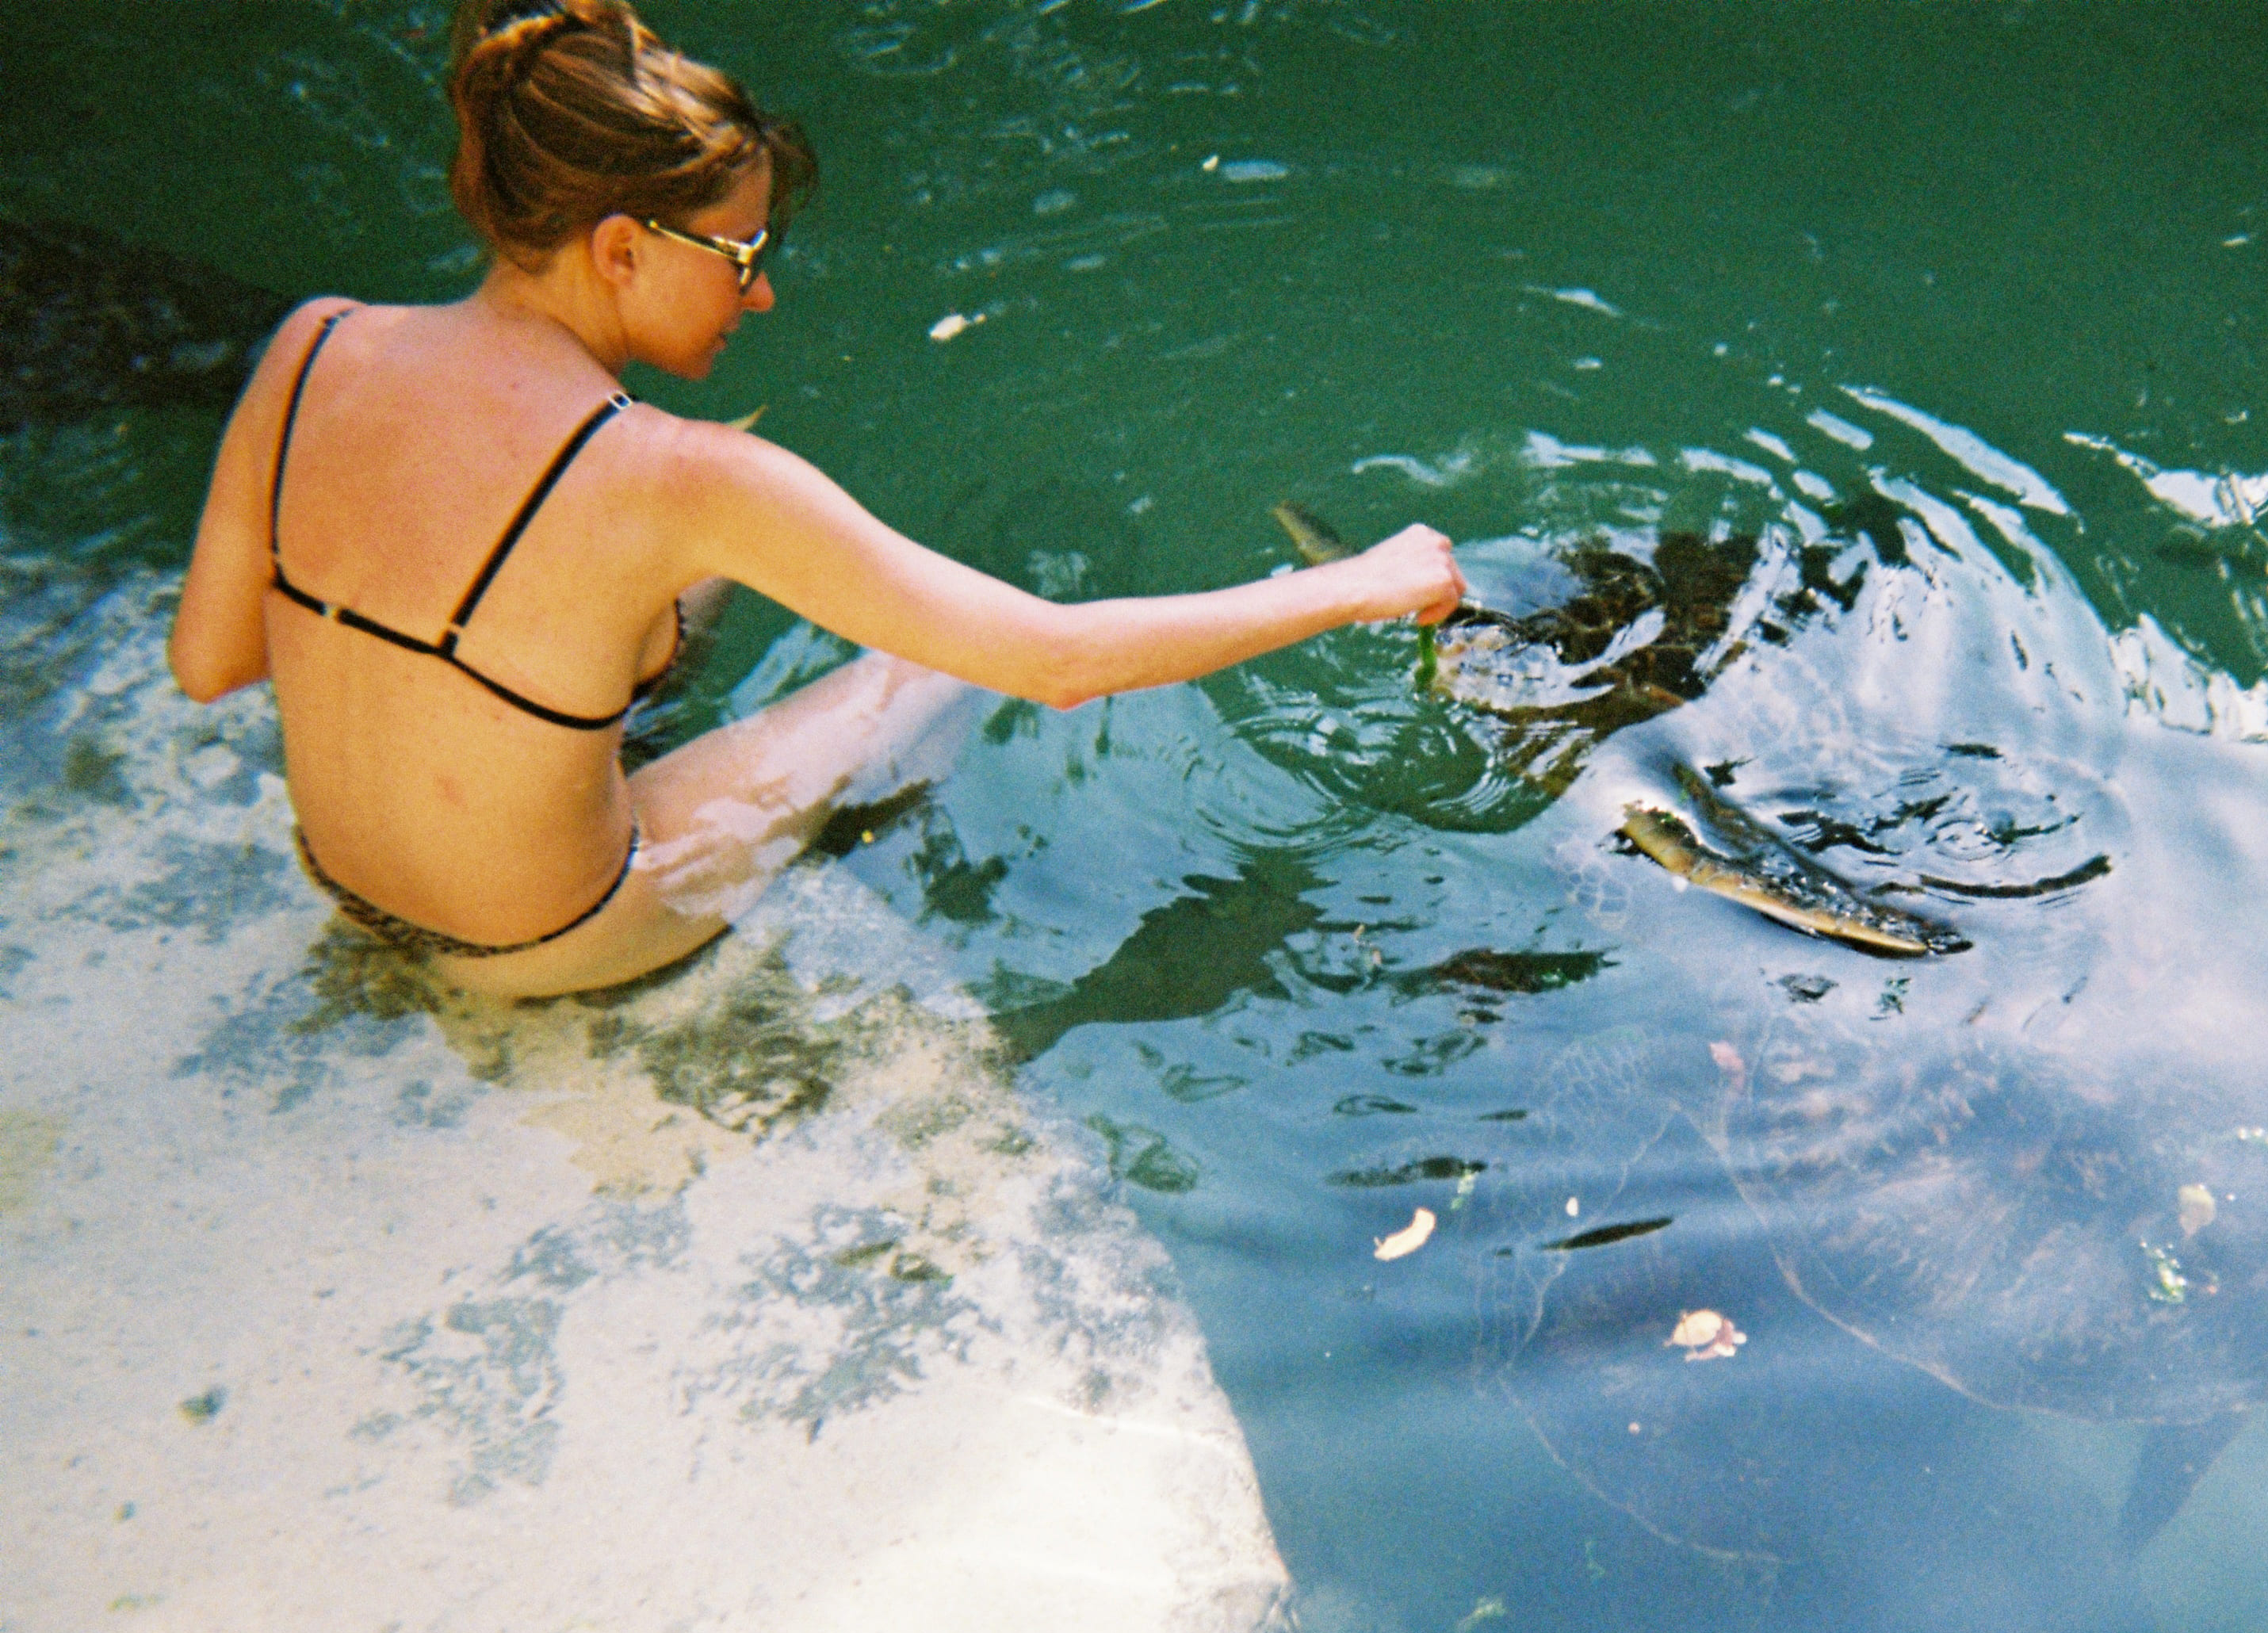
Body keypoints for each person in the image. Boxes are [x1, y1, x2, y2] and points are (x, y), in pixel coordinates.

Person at [166, 0, 1461, 999]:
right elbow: (1057, 663)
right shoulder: (686, 475)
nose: (762, 294)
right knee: (926, 669)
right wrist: (1366, 581)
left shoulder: (313, 344)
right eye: (741, 256)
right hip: (547, 939)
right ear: (620, 248)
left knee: (639, 591)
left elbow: (211, 662)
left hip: (344, 887)